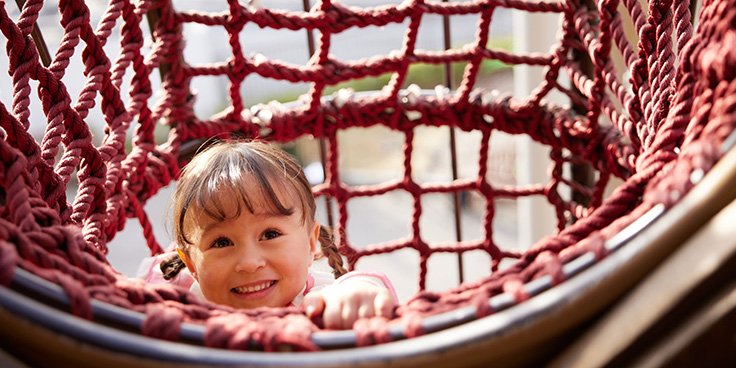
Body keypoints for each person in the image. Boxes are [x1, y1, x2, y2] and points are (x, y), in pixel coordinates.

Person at [148, 140, 396, 330]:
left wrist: (357, 290)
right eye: (221, 242)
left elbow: (358, 287)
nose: (249, 262)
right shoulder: (183, 296)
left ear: (311, 244)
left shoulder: (315, 302)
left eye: (270, 234)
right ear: (191, 263)